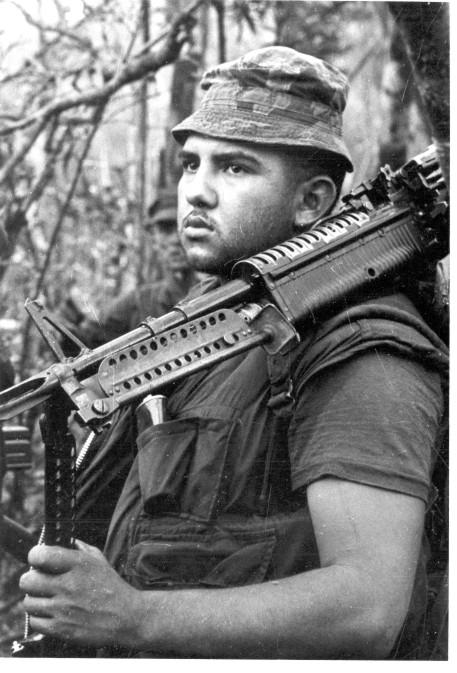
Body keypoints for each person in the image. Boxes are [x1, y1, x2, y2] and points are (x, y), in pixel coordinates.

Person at [19, 47, 448, 659]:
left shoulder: (358, 348)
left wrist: (133, 616)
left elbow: (367, 608)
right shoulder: (219, 324)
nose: (197, 192)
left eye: (236, 168)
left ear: (311, 201)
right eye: (191, 164)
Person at [62, 188, 196, 349]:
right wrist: (67, 327)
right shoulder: (139, 303)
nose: (175, 239)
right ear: (154, 240)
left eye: (182, 227)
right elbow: (89, 341)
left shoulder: (218, 288)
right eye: (166, 230)